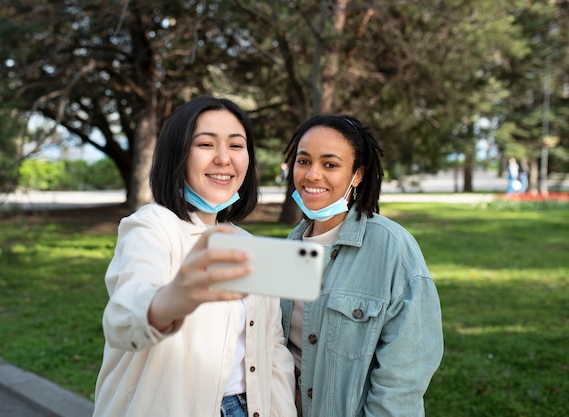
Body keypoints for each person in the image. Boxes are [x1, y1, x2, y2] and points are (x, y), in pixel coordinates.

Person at [93, 96, 296, 417]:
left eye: (236, 145)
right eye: (205, 144)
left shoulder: (246, 244)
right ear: (178, 155)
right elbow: (123, 318)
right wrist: (175, 297)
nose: (223, 158)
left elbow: (272, 351)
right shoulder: (150, 227)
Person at [280, 115, 443, 417]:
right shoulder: (291, 245)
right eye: (304, 161)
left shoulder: (393, 248)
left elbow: (403, 378)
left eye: (330, 164)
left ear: (357, 175)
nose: (312, 174)